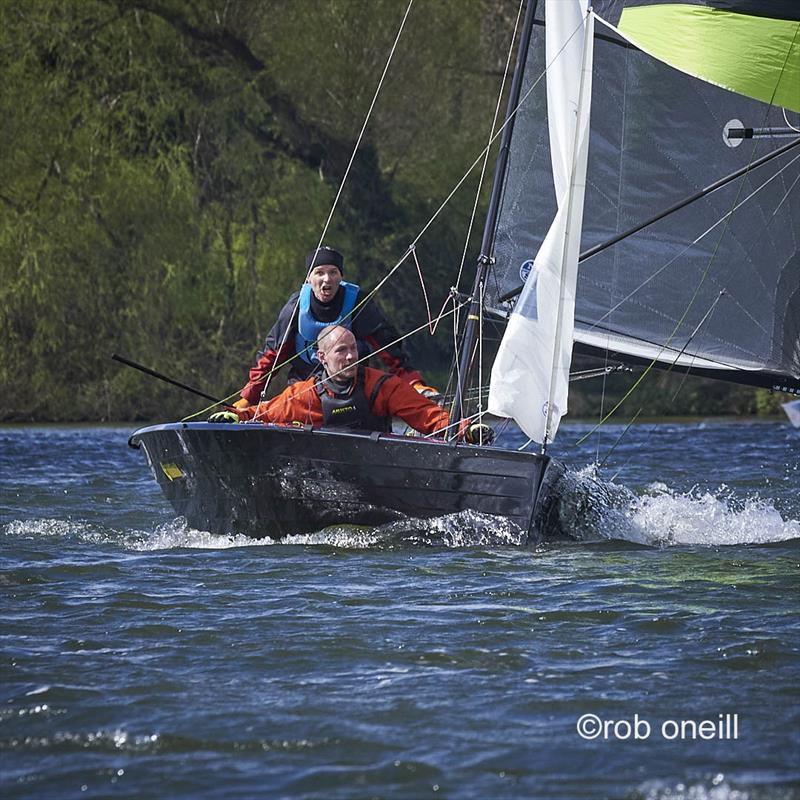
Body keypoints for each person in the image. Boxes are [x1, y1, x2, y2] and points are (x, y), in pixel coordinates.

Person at [233, 246, 440, 409]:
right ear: (309, 279)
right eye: (319, 272)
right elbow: (270, 357)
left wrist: (414, 383)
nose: (326, 279)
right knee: (282, 404)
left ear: (341, 277)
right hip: (305, 387)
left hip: (353, 386)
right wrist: (248, 398)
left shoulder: (357, 303)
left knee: (383, 393)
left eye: (333, 272)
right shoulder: (294, 309)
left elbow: (390, 348)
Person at [219, 325, 449, 436]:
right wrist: (236, 415)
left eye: (353, 349)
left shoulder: (382, 386)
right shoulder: (304, 394)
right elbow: (264, 414)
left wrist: (465, 429)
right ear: (322, 357)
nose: (350, 356)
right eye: (341, 351)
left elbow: (429, 417)